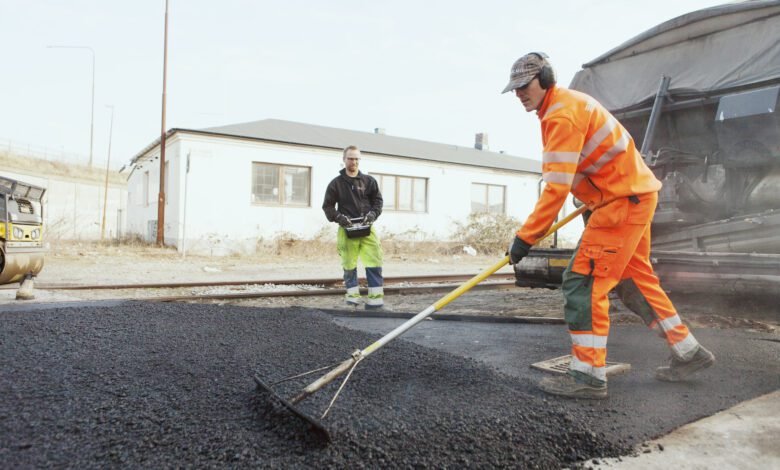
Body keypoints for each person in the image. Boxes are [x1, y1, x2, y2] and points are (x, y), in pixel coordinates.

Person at [502, 52, 715, 399]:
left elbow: (556, 187)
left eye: (524, 86)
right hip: (630, 198)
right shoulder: (565, 106)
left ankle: (588, 376)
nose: (519, 93)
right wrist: (591, 199)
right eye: (515, 88)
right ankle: (688, 352)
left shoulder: (561, 115)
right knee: (634, 282)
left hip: (620, 203)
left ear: (546, 78)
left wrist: (525, 238)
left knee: (583, 283)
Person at [322, 145, 385, 309]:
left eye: (357, 158)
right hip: (347, 229)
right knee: (349, 264)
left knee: (374, 262)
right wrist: (339, 218)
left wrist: (373, 214)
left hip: (367, 229)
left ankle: (376, 301)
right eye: (350, 158)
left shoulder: (369, 181)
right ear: (344, 160)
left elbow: (378, 202)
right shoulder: (336, 184)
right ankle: (352, 299)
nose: (354, 162)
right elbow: (327, 206)